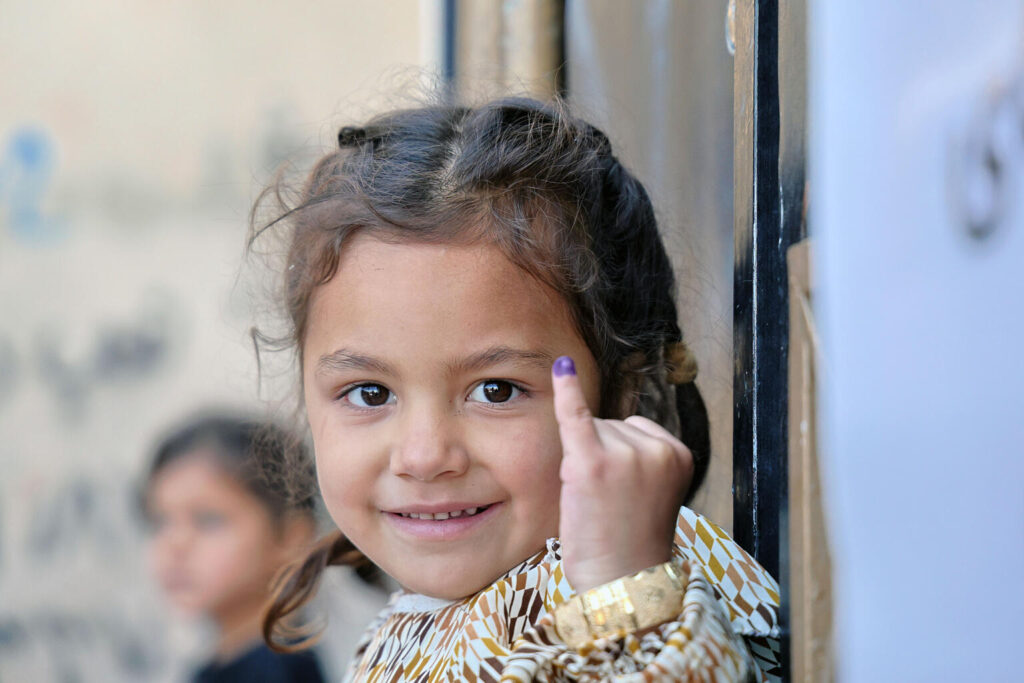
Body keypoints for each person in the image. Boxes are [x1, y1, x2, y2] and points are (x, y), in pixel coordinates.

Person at [253, 97, 781, 681]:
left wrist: (628, 592)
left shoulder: (638, 583)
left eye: (496, 390)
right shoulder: (419, 620)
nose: (424, 456)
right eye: (370, 394)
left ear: (622, 391)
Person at [144, 414, 327, 683]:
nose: (175, 543)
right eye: (160, 522)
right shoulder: (222, 664)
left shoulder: (278, 673)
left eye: (208, 519)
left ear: (292, 538)